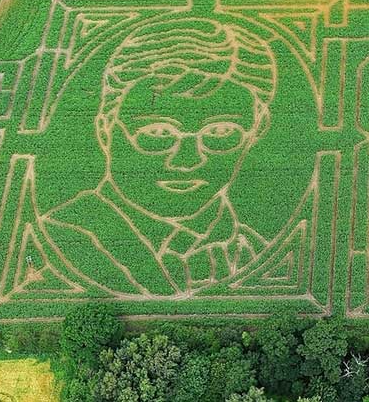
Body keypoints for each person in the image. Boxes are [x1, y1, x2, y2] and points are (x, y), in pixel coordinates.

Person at [35, 18, 277, 298]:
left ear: (256, 130)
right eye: (159, 132)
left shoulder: (249, 249)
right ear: (105, 130)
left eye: (220, 131)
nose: (187, 161)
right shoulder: (70, 235)